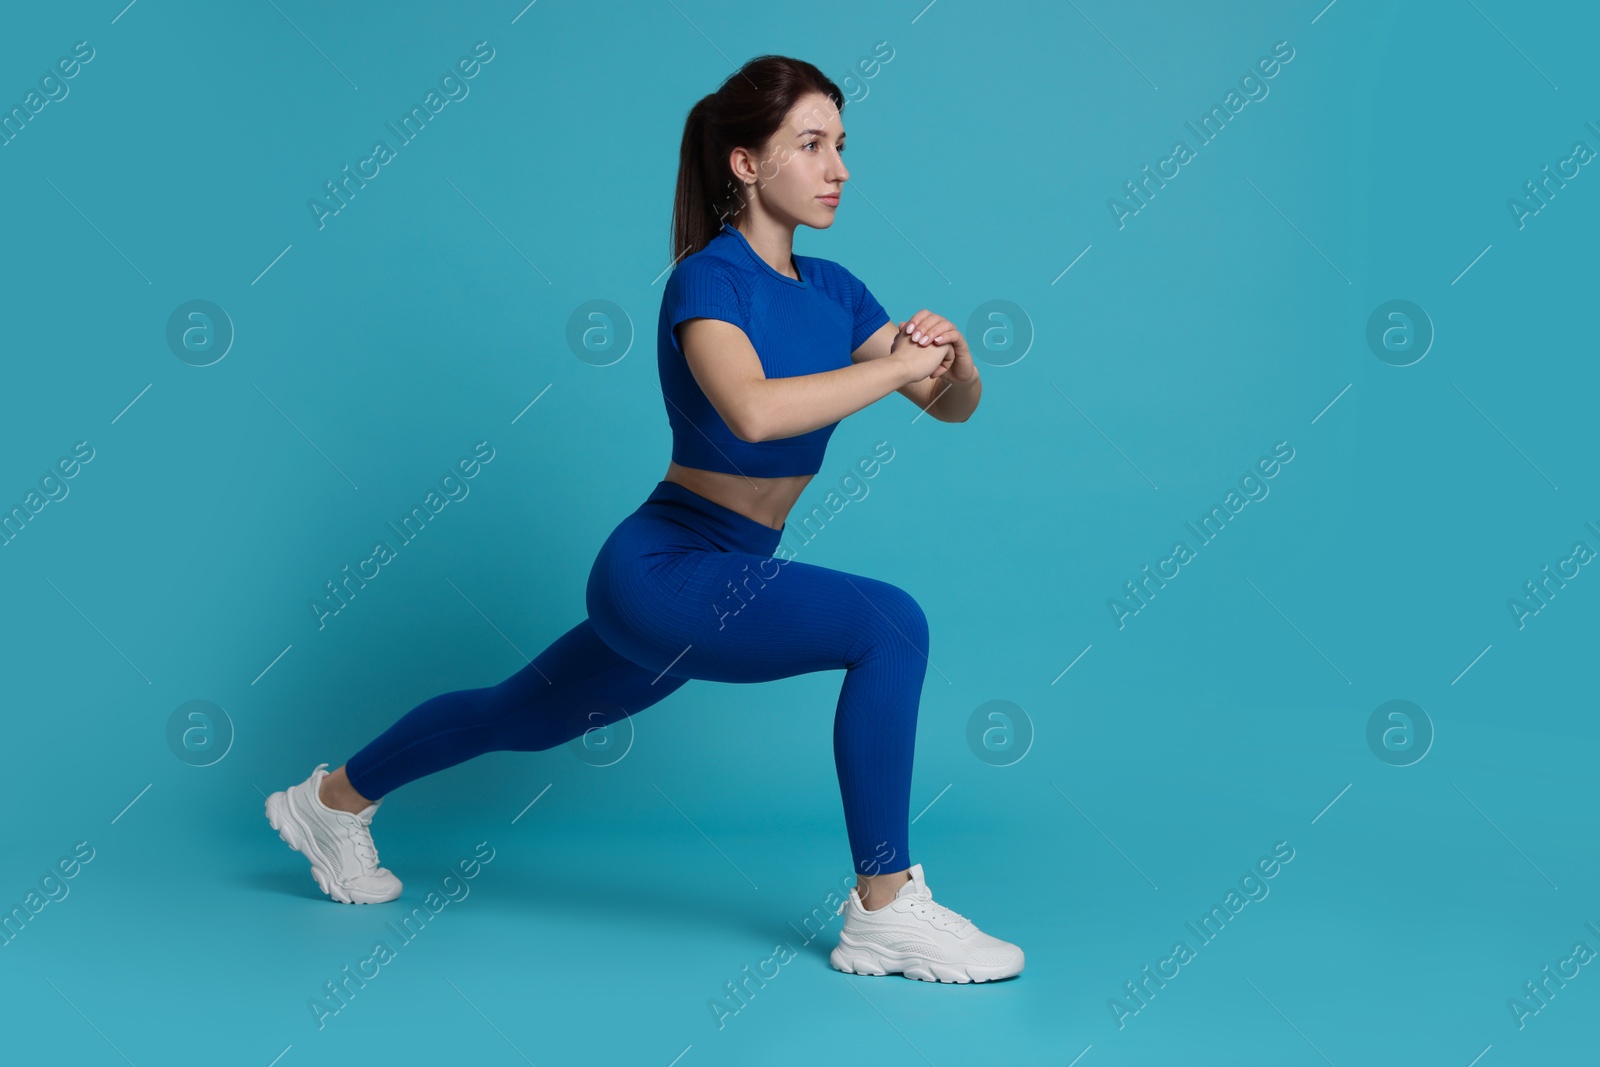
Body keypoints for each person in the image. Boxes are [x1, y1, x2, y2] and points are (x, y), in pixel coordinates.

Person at [265, 54, 1023, 984]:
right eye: (812, 145)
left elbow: (952, 406)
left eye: (842, 147)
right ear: (746, 164)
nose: (839, 168)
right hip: (663, 570)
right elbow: (753, 410)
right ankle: (884, 907)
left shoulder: (834, 291)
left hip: (718, 575)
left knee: (520, 713)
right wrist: (898, 367)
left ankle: (330, 803)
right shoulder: (707, 283)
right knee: (891, 623)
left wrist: (955, 358)